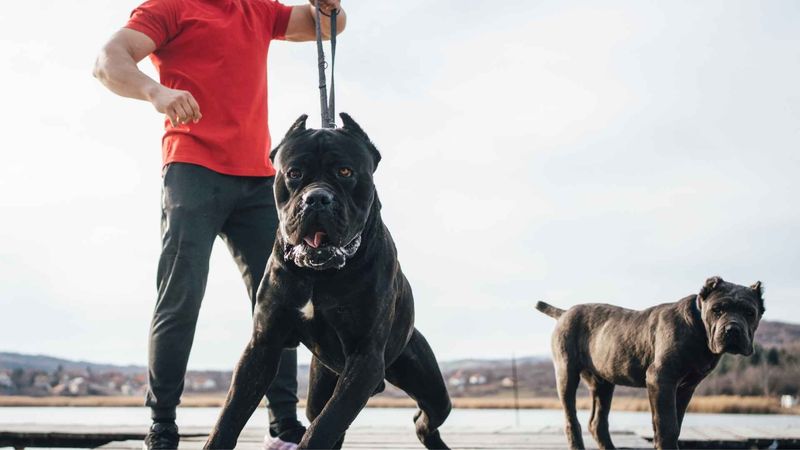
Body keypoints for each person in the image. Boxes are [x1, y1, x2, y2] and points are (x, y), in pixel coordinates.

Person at [92, 1, 345, 448]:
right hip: (192, 169)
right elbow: (108, 61)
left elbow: (330, 25)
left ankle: (284, 425)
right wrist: (157, 93)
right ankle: (163, 424)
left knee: (281, 301)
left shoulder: (257, 9)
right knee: (181, 294)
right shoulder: (170, 8)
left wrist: (330, 6)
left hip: (259, 182)